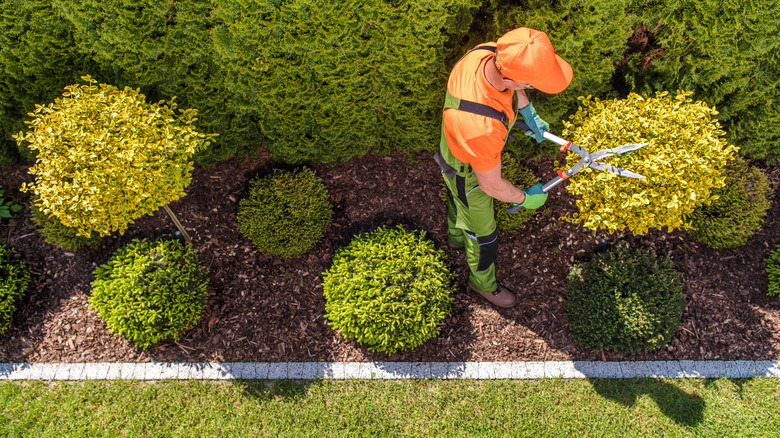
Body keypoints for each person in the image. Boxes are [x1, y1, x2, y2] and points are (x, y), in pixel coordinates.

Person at [434, 27, 572, 308]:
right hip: (467, 172)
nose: (529, 90)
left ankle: (454, 237)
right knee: (483, 235)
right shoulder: (481, 129)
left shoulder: (487, 52)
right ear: (511, 78)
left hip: (454, 145)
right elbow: (491, 186)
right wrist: (526, 197)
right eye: (531, 85)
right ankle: (482, 284)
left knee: (456, 200)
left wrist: (527, 111)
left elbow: (513, 83)